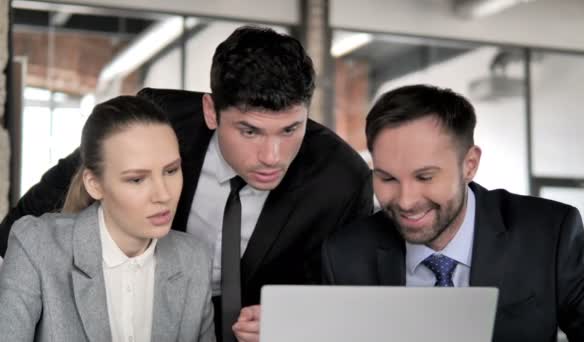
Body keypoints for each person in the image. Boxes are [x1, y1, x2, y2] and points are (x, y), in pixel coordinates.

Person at [0, 27, 373, 342]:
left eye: (290, 129)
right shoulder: (156, 124)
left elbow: (360, 306)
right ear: (211, 111)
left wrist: (300, 323)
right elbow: (29, 221)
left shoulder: (341, 178)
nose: (272, 156)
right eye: (250, 131)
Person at [322, 84, 584, 341]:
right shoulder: (345, 255)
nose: (406, 201)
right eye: (387, 178)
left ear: (469, 165)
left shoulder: (547, 233)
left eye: (425, 177)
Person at [0, 96, 215, 341]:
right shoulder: (36, 247)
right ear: (94, 185)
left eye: (171, 171)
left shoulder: (194, 259)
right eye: (137, 179)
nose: (163, 194)